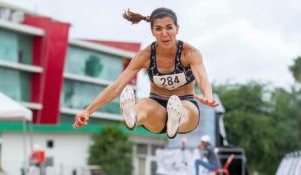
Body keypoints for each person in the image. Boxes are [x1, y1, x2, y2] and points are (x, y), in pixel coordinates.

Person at [73, 7, 219, 138]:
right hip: (157, 106)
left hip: (186, 102)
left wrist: (208, 95)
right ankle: (133, 116)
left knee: (184, 109)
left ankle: (176, 119)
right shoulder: (145, 56)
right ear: (152, 31)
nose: (164, 34)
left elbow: (202, 77)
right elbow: (117, 86)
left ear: (177, 29)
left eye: (169, 28)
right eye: (158, 29)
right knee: (144, 104)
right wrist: (87, 111)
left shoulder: (189, 53)